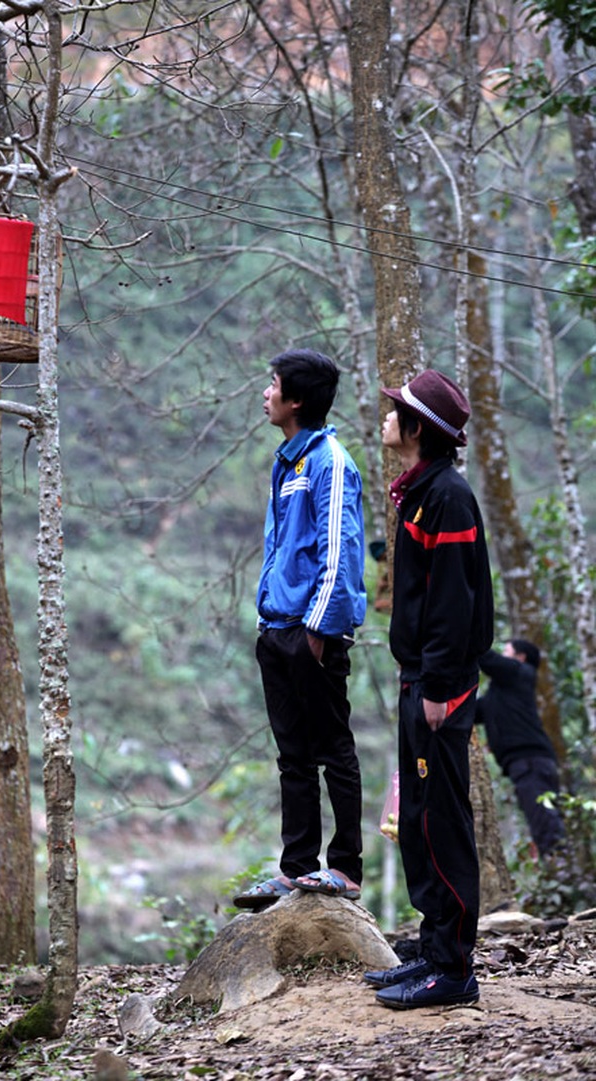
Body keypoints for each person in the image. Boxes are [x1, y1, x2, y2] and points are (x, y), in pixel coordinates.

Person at [363, 369, 493, 1009]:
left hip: (440, 687)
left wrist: (439, 686)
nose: (386, 418)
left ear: (417, 429)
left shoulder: (447, 497)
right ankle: (433, 947)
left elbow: (454, 602)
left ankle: (453, 969)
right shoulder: (418, 492)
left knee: (441, 821)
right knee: (416, 818)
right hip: (420, 677)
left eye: (395, 412)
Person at [233, 348, 367, 910]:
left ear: (296, 400)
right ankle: (296, 868)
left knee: (332, 747)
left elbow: (341, 551)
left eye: (272, 385)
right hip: (277, 629)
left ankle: (345, 868)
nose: (265, 394)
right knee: (292, 755)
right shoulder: (287, 461)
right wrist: (274, 624)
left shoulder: (330, 461)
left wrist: (317, 628)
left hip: (311, 633)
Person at [476, 639, 565, 858]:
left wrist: (459, 633)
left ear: (520, 657)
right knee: (542, 824)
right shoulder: (498, 695)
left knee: (546, 826)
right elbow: (472, 710)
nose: (502, 656)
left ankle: (563, 875)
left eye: (505, 652)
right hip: (524, 766)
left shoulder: (521, 673)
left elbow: (487, 659)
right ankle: (560, 873)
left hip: (531, 763)